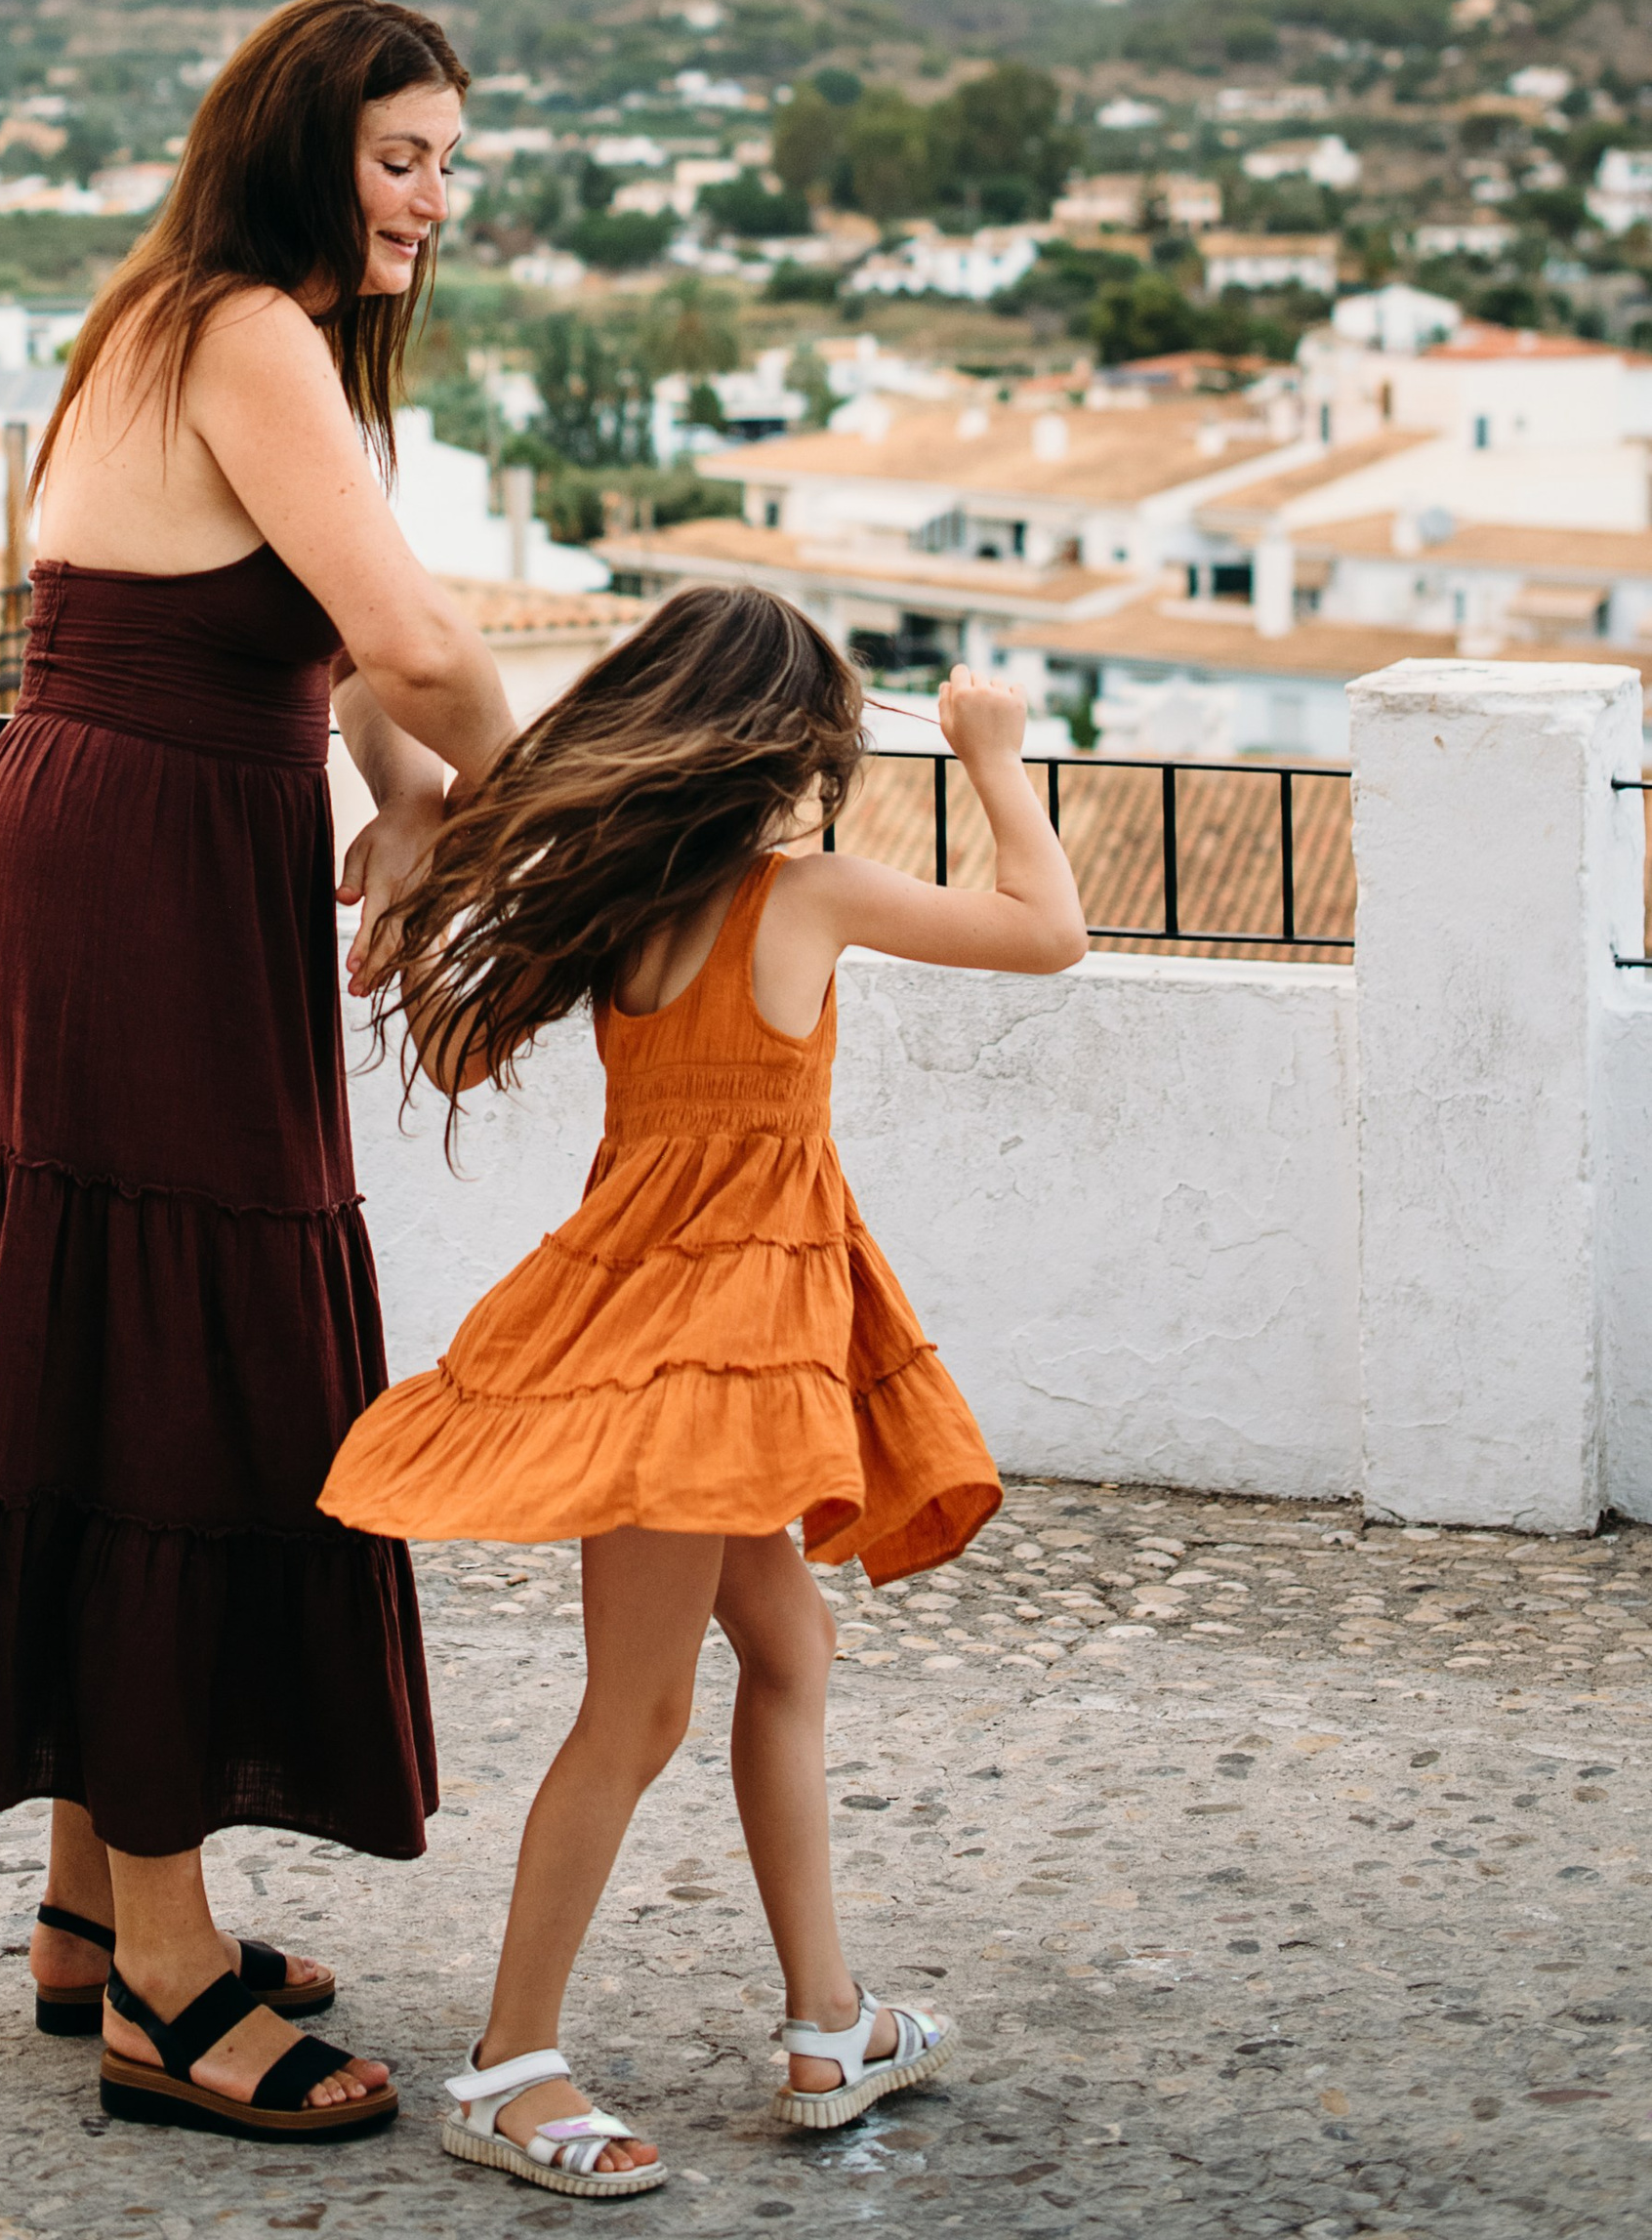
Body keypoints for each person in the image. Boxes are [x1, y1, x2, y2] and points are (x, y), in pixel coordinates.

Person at [0, 0, 516, 2150]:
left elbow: (322, 647)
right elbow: (411, 638)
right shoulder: (245, 331)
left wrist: (403, 803)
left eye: (449, 168)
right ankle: (169, 1981)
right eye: (401, 157)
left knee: (86, 1345)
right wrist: (585, 823)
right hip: (128, 875)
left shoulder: (178, 316)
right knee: (166, 1368)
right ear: (308, 144)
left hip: (97, 848)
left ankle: (82, 1907)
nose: (429, 202)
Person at [320, 587, 1086, 2198]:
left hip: (693, 1338)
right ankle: (509, 2064)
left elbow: (456, 1059)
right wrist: (997, 756)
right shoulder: (794, 899)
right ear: (784, 751)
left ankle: (831, 2023)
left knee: (789, 1644)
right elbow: (1047, 929)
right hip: (701, 1356)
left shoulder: (628, 913)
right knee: (639, 1706)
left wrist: (417, 813)